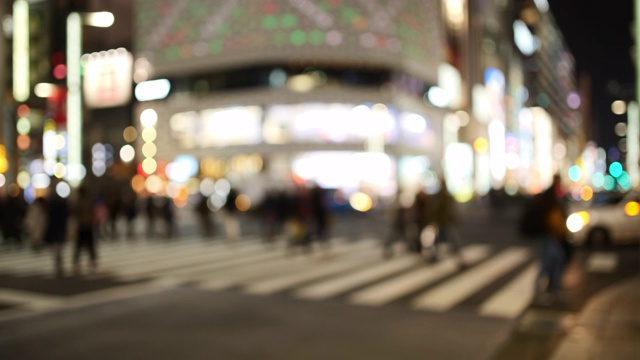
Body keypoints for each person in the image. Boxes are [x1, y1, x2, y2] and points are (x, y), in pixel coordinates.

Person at [531, 174, 568, 304]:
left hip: (550, 234)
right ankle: (544, 290)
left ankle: (552, 287)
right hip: (547, 234)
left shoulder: (553, 194)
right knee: (549, 262)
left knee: (554, 260)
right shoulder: (550, 195)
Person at [429, 177, 464, 263]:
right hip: (443, 220)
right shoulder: (442, 196)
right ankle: (436, 255)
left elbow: (448, 209)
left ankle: (457, 256)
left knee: (449, 238)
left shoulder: (443, 196)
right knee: (442, 238)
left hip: (445, 220)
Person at [45, 181, 69, 276]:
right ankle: (58, 260)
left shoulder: (52, 205)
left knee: (56, 246)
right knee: (59, 245)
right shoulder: (62, 205)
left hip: (55, 227)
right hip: (59, 228)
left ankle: (58, 260)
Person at [73, 186, 98, 274]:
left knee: (81, 244)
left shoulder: (81, 202)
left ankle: (78, 261)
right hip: (86, 225)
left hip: (84, 225)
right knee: (88, 244)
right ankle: (91, 260)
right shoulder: (86, 201)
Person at [382, 189, 411, 258]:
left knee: (401, 237)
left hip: (399, 224)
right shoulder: (397, 204)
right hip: (397, 224)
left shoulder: (398, 203)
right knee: (395, 237)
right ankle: (389, 251)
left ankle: (406, 248)